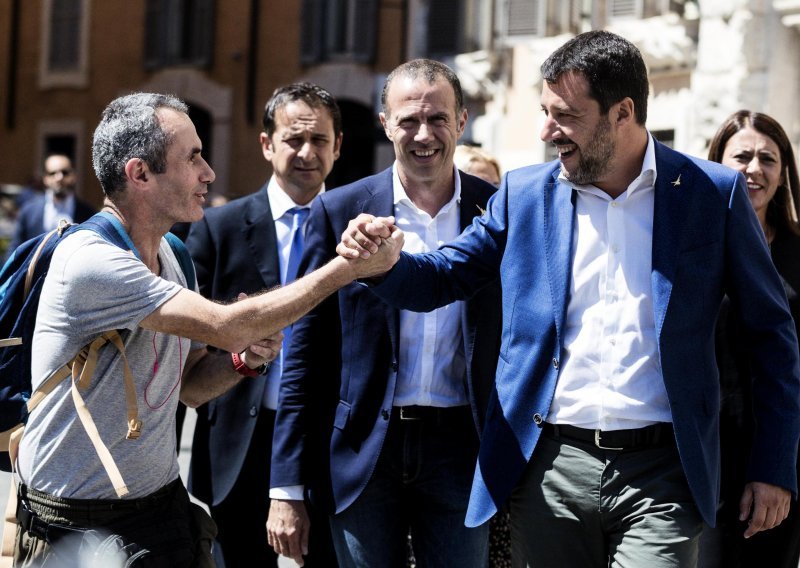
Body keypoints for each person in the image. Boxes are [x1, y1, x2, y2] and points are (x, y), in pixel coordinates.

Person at [338, 31, 800, 568]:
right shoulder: (524, 194)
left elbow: (772, 337)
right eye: (544, 112)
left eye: (565, 115)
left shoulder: (711, 194)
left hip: (664, 474)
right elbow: (445, 276)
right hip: (548, 471)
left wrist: (774, 466)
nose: (546, 130)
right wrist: (385, 264)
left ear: (622, 112)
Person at [12, 92, 401, 567]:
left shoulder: (173, 254)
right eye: (192, 157)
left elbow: (192, 386)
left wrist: (245, 360)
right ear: (140, 174)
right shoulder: (92, 262)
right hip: (77, 522)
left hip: (160, 509)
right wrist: (350, 267)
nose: (209, 173)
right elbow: (227, 326)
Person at [266, 59, 502, 567]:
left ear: (462, 121)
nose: (424, 135)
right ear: (385, 124)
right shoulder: (338, 211)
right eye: (409, 120)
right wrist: (285, 486)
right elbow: (304, 355)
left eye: (438, 119)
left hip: (462, 448)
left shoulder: (498, 210)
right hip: (363, 452)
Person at [185, 82, 342, 568]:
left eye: (319, 140)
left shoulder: (355, 227)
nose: (307, 152)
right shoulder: (218, 228)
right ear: (267, 144)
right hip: (238, 443)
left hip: (328, 442)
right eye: (293, 139)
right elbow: (184, 344)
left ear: (338, 146)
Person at [699, 110, 800, 568]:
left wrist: (778, 466)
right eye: (742, 156)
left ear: (783, 173)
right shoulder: (691, 246)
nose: (754, 168)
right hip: (705, 455)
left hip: (782, 454)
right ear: (717, 164)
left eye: (768, 159)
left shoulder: (797, 253)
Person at [8, 153, 96, 251]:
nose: (59, 177)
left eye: (65, 172)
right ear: (45, 178)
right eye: (52, 173)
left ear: (74, 176)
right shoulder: (29, 211)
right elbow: (15, 250)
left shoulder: (89, 214)